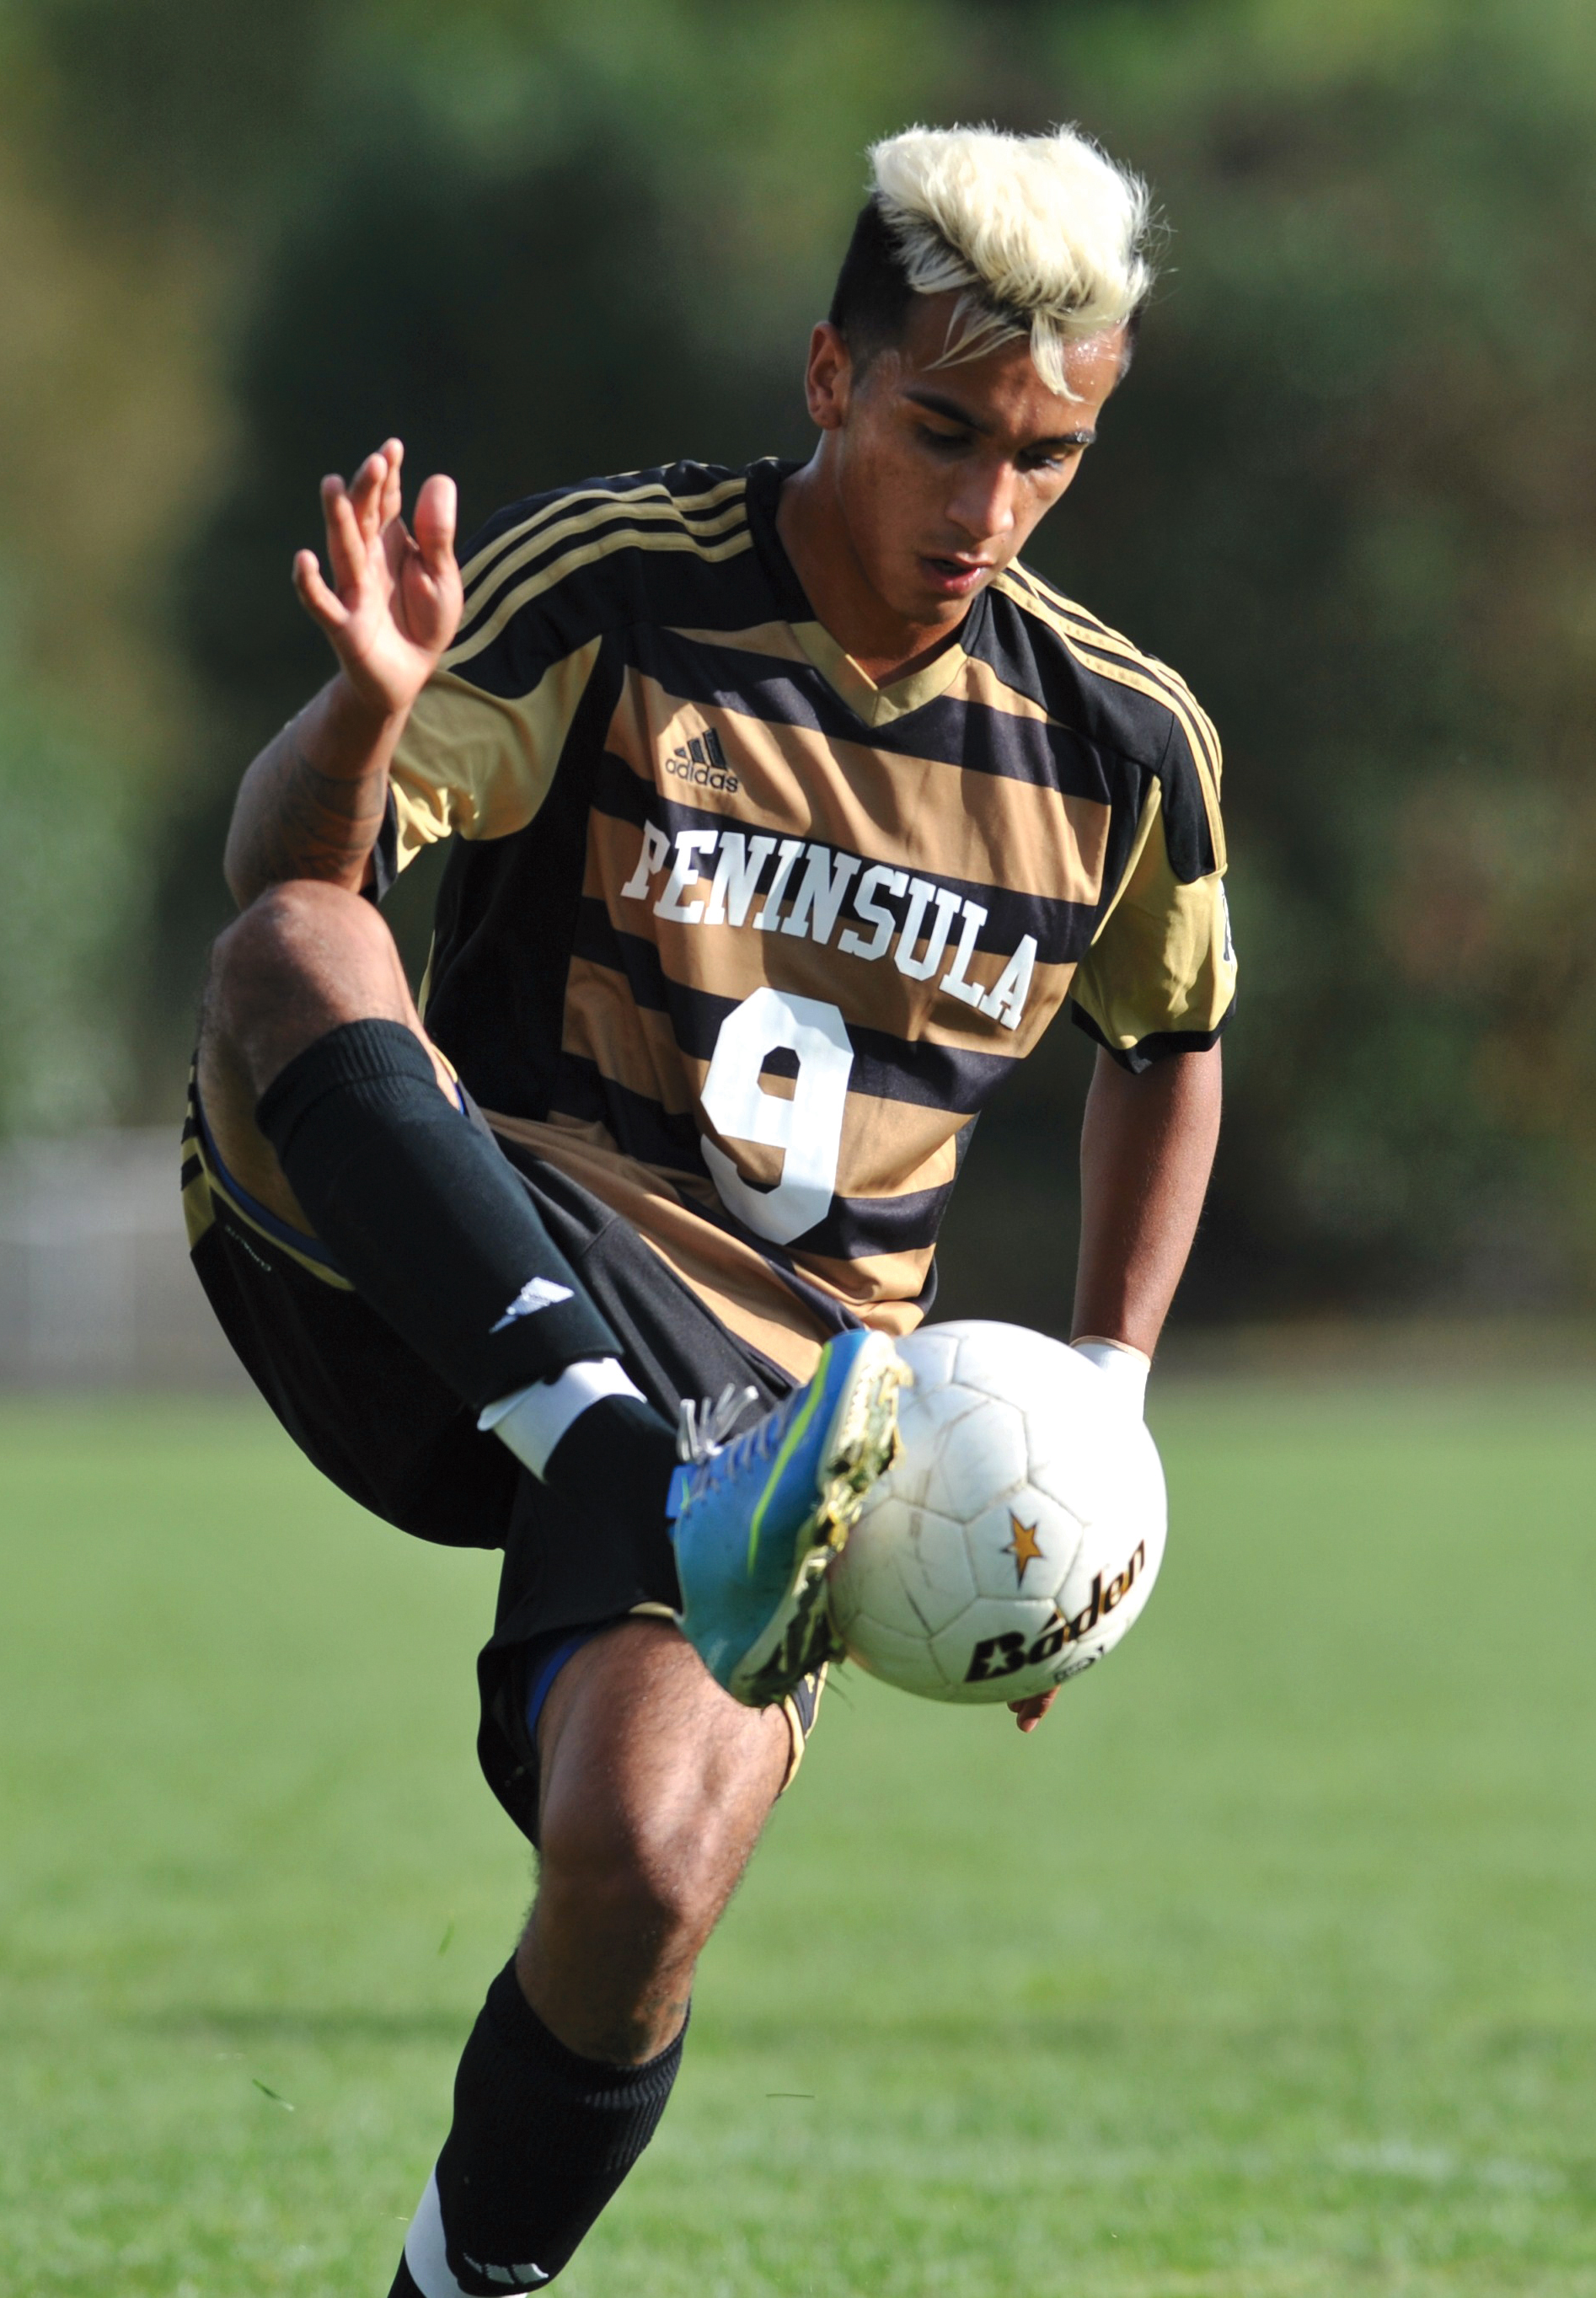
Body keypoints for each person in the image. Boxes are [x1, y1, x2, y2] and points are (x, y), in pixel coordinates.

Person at [184, 122, 1232, 2297]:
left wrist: (1100, 1422)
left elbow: (1172, 1038)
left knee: (642, 1874)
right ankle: (604, 1449)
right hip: (458, 1250)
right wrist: (363, 719)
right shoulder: (627, 582)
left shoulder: (1121, 744)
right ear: (828, 375)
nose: (984, 507)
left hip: (785, 1417)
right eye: (943, 432)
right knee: (290, 950)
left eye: (1043, 456)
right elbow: (289, 880)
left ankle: (443, 2290)